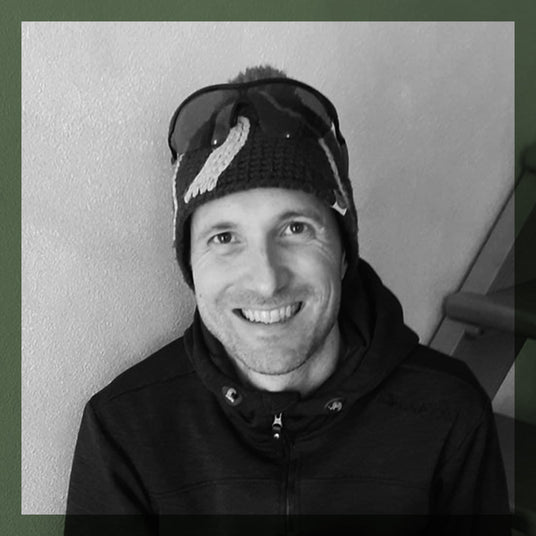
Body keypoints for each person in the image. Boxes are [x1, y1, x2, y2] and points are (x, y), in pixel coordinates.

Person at [65, 66, 510, 535]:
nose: (266, 281)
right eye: (224, 237)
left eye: (295, 228)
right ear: (190, 266)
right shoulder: (125, 428)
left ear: (343, 252)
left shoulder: (448, 412)